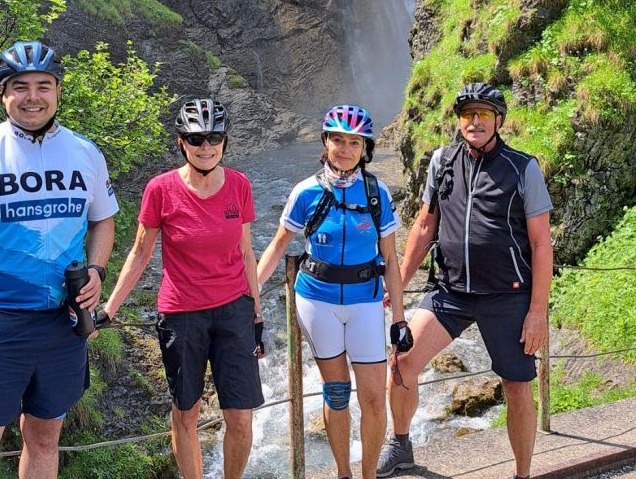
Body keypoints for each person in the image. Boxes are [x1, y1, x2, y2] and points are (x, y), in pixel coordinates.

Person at [0, 40, 118, 479]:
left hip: (63, 324)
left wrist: (97, 270)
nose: (33, 96)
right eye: (21, 86)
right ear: (3, 94)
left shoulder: (86, 153)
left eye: (43, 86)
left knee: (45, 439)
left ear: (58, 91)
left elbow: (104, 220)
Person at [377, 82, 553, 479]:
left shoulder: (523, 168)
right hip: (450, 292)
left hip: (508, 296)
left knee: (517, 385)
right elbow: (424, 226)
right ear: (459, 121)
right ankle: (400, 446)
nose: (474, 121)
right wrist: (400, 283)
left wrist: (537, 312)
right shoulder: (442, 161)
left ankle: (522, 474)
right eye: (468, 115)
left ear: (498, 121)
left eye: (483, 114)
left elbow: (542, 245)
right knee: (403, 362)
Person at [103, 97, 264, 479]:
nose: (206, 146)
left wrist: (256, 313)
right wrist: (108, 309)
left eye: (214, 138)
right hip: (182, 314)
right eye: (196, 139)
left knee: (240, 417)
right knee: (186, 411)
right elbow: (141, 252)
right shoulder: (161, 189)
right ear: (181, 142)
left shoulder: (239, 185)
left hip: (233, 309)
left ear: (225, 141)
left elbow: (246, 253)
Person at [257, 104, 410, 479]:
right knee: (337, 392)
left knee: (374, 398)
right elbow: (277, 246)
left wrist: (400, 318)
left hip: (366, 301)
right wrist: (250, 295)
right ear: (325, 142)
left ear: (365, 148)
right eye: (337, 140)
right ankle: (343, 473)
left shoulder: (377, 193)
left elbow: (390, 259)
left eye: (353, 142)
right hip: (316, 300)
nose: (344, 149)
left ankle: (369, 474)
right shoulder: (306, 192)